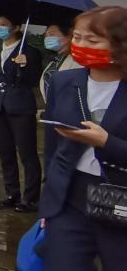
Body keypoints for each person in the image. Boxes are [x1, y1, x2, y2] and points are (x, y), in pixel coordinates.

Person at [15, 5, 127, 271]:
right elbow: (53, 148)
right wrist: (48, 206)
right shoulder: (65, 81)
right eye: (77, 37)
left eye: (92, 39)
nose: (80, 45)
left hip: (120, 201)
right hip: (70, 201)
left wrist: (107, 142)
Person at [0, 14, 43, 212]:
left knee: (27, 154)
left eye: (3, 25)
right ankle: (11, 194)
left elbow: (34, 80)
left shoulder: (30, 51)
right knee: (5, 152)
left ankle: (31, 198)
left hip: (21, 107)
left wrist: (25, 65)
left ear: (16, 27)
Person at [41, 21, 79, 170]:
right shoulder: (56, 60)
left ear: (69, 36)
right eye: (46, 35)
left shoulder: (77, 62)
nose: (47, 38)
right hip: (52, 116)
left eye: (52, 34)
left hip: (68, 119)